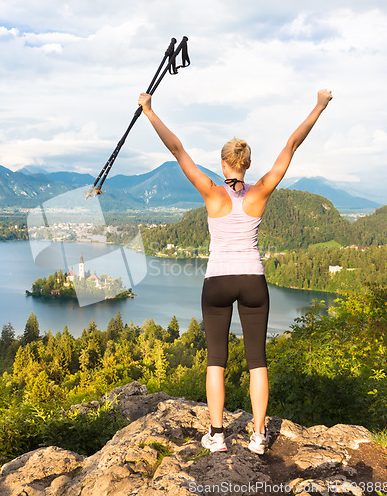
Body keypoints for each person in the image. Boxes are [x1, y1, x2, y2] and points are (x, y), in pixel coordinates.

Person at [138, 89, 333, 455]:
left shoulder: (212, 193)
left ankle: (217, 434)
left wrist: (149, 111)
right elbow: (291, 145)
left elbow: (177, 150)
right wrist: (319, 106)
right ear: (246, 164)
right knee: (257, 360)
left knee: (217, 359)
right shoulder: (259, 193)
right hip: (253, 280)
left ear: (224, 163)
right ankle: (258, 436)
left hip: (217, 281)